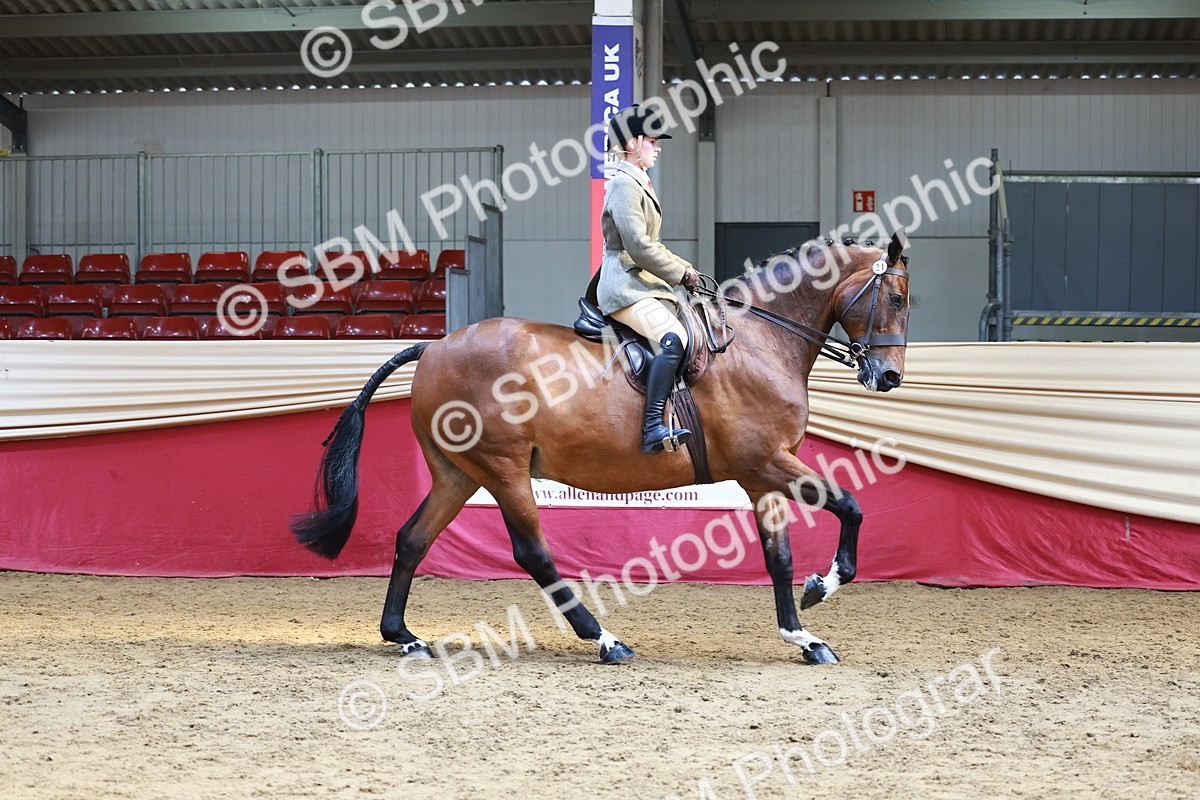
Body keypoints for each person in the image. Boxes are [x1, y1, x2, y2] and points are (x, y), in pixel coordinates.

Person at [597, 104, 702, 455]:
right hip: (624, 285)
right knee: (674, 338)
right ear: (632, 142)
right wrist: (680, 274)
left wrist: (689, 270)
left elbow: (653, 244)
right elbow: (639, 247)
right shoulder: (624, 185)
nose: (657, 148)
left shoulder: (639, 183)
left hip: (641, 282)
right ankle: (654, 426)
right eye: (653, 141)